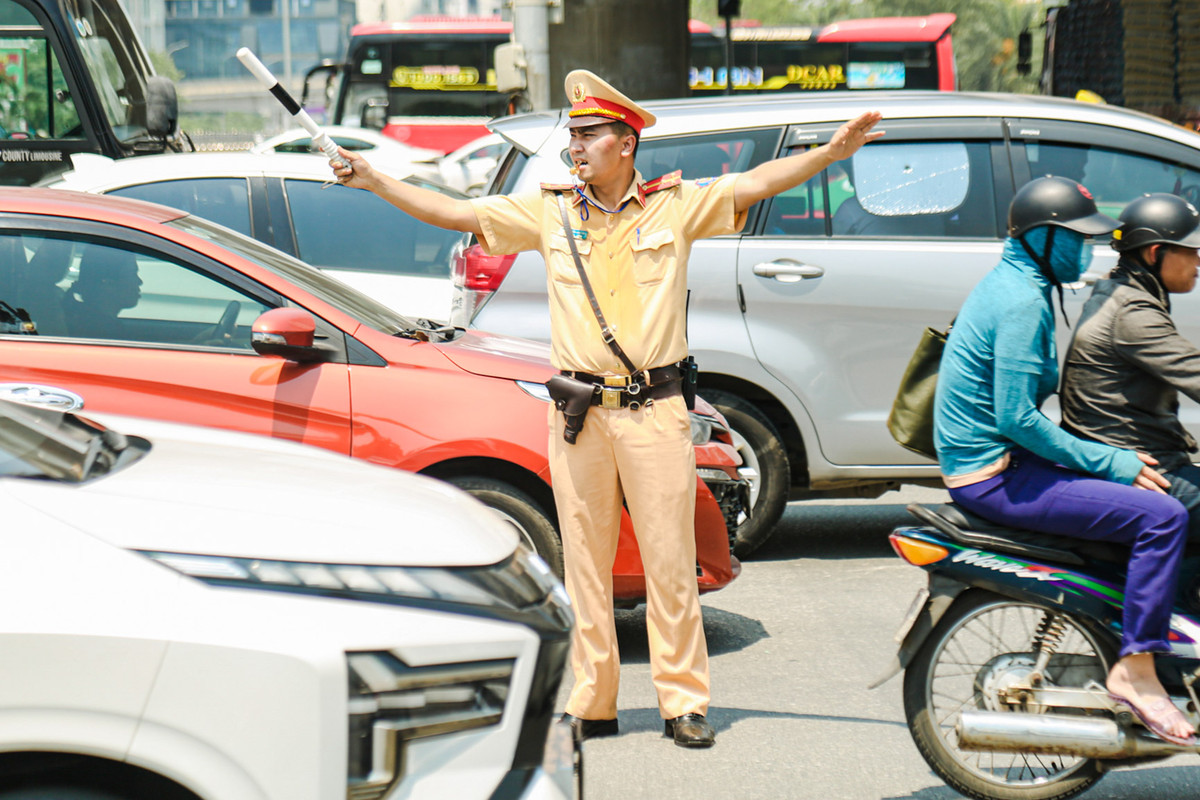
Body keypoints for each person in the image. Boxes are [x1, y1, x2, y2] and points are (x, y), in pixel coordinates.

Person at [331, 69, 882, 748]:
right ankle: (593, 701)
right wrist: (375, 181)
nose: (576, 145)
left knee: (669, 560)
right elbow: (456, 213)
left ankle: (684, 702)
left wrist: (830, 153)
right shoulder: (551, 211)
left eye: (589, 134)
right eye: (573, 135)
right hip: (580, 413)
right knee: (585, 564)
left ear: (626, 142)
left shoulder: (673, 206)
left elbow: (756, 184)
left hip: (655, 409)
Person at [933, 175, 1194, 746]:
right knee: (1164, 515)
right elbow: (1016, 420)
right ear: (1042, 239)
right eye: (1076, 238)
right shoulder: (1023, 301)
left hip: (1007, 463)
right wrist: (1112, 462)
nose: (1087, 250)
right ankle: (1137, 673)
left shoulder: (1020, 283)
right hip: (995, 475)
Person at [1061, 193, 1200, 539]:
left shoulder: (1120, 290)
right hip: (1137, 468)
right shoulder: (1132, 312)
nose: (1198, 261)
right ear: (1155, 253)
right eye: (1191, 250)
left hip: (1131, 456)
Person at [62, 244, 142, 340]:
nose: (140, 281)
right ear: (108, 284)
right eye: (133, 274)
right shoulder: (102, 332)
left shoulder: (83, 321)